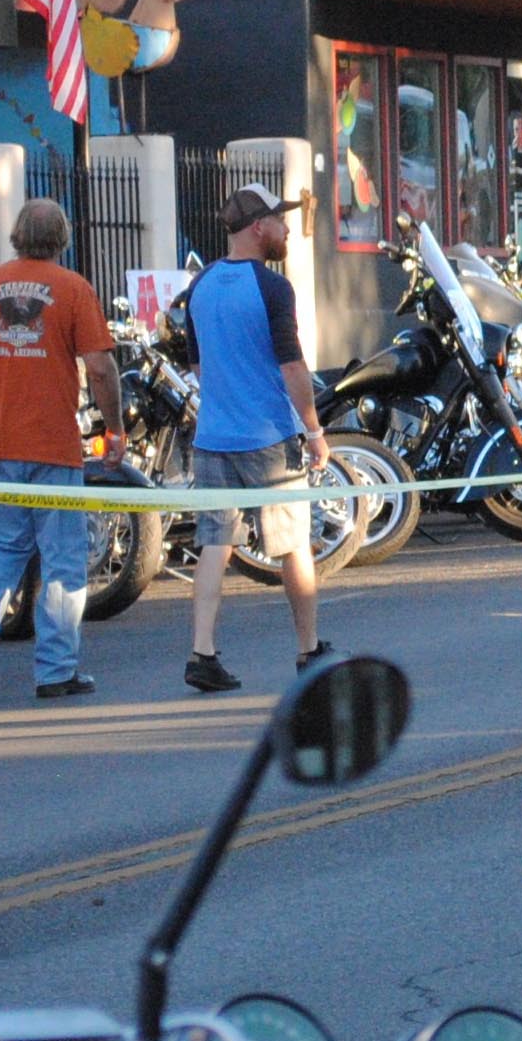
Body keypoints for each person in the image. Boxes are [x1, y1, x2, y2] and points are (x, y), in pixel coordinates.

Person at [0, 199, 124, 702]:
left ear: (16, 235)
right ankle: (55, 670)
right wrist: (113, 428)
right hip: (53, 447)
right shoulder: (73, 289)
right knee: (63, 558)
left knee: (0, 548)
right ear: (63, 237)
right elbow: (100, 368)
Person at [181, 186, 336, 693]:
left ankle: (202, 652)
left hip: (214, 437)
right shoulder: (272, 288)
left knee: (213, 544)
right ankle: (308, 649)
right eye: (280, 220)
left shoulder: (200, 287)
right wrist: (313, 429)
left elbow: (199, 365)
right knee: (294, 546)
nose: (287, 229)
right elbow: (292, 365)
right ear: (258, 228)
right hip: (268, 438)